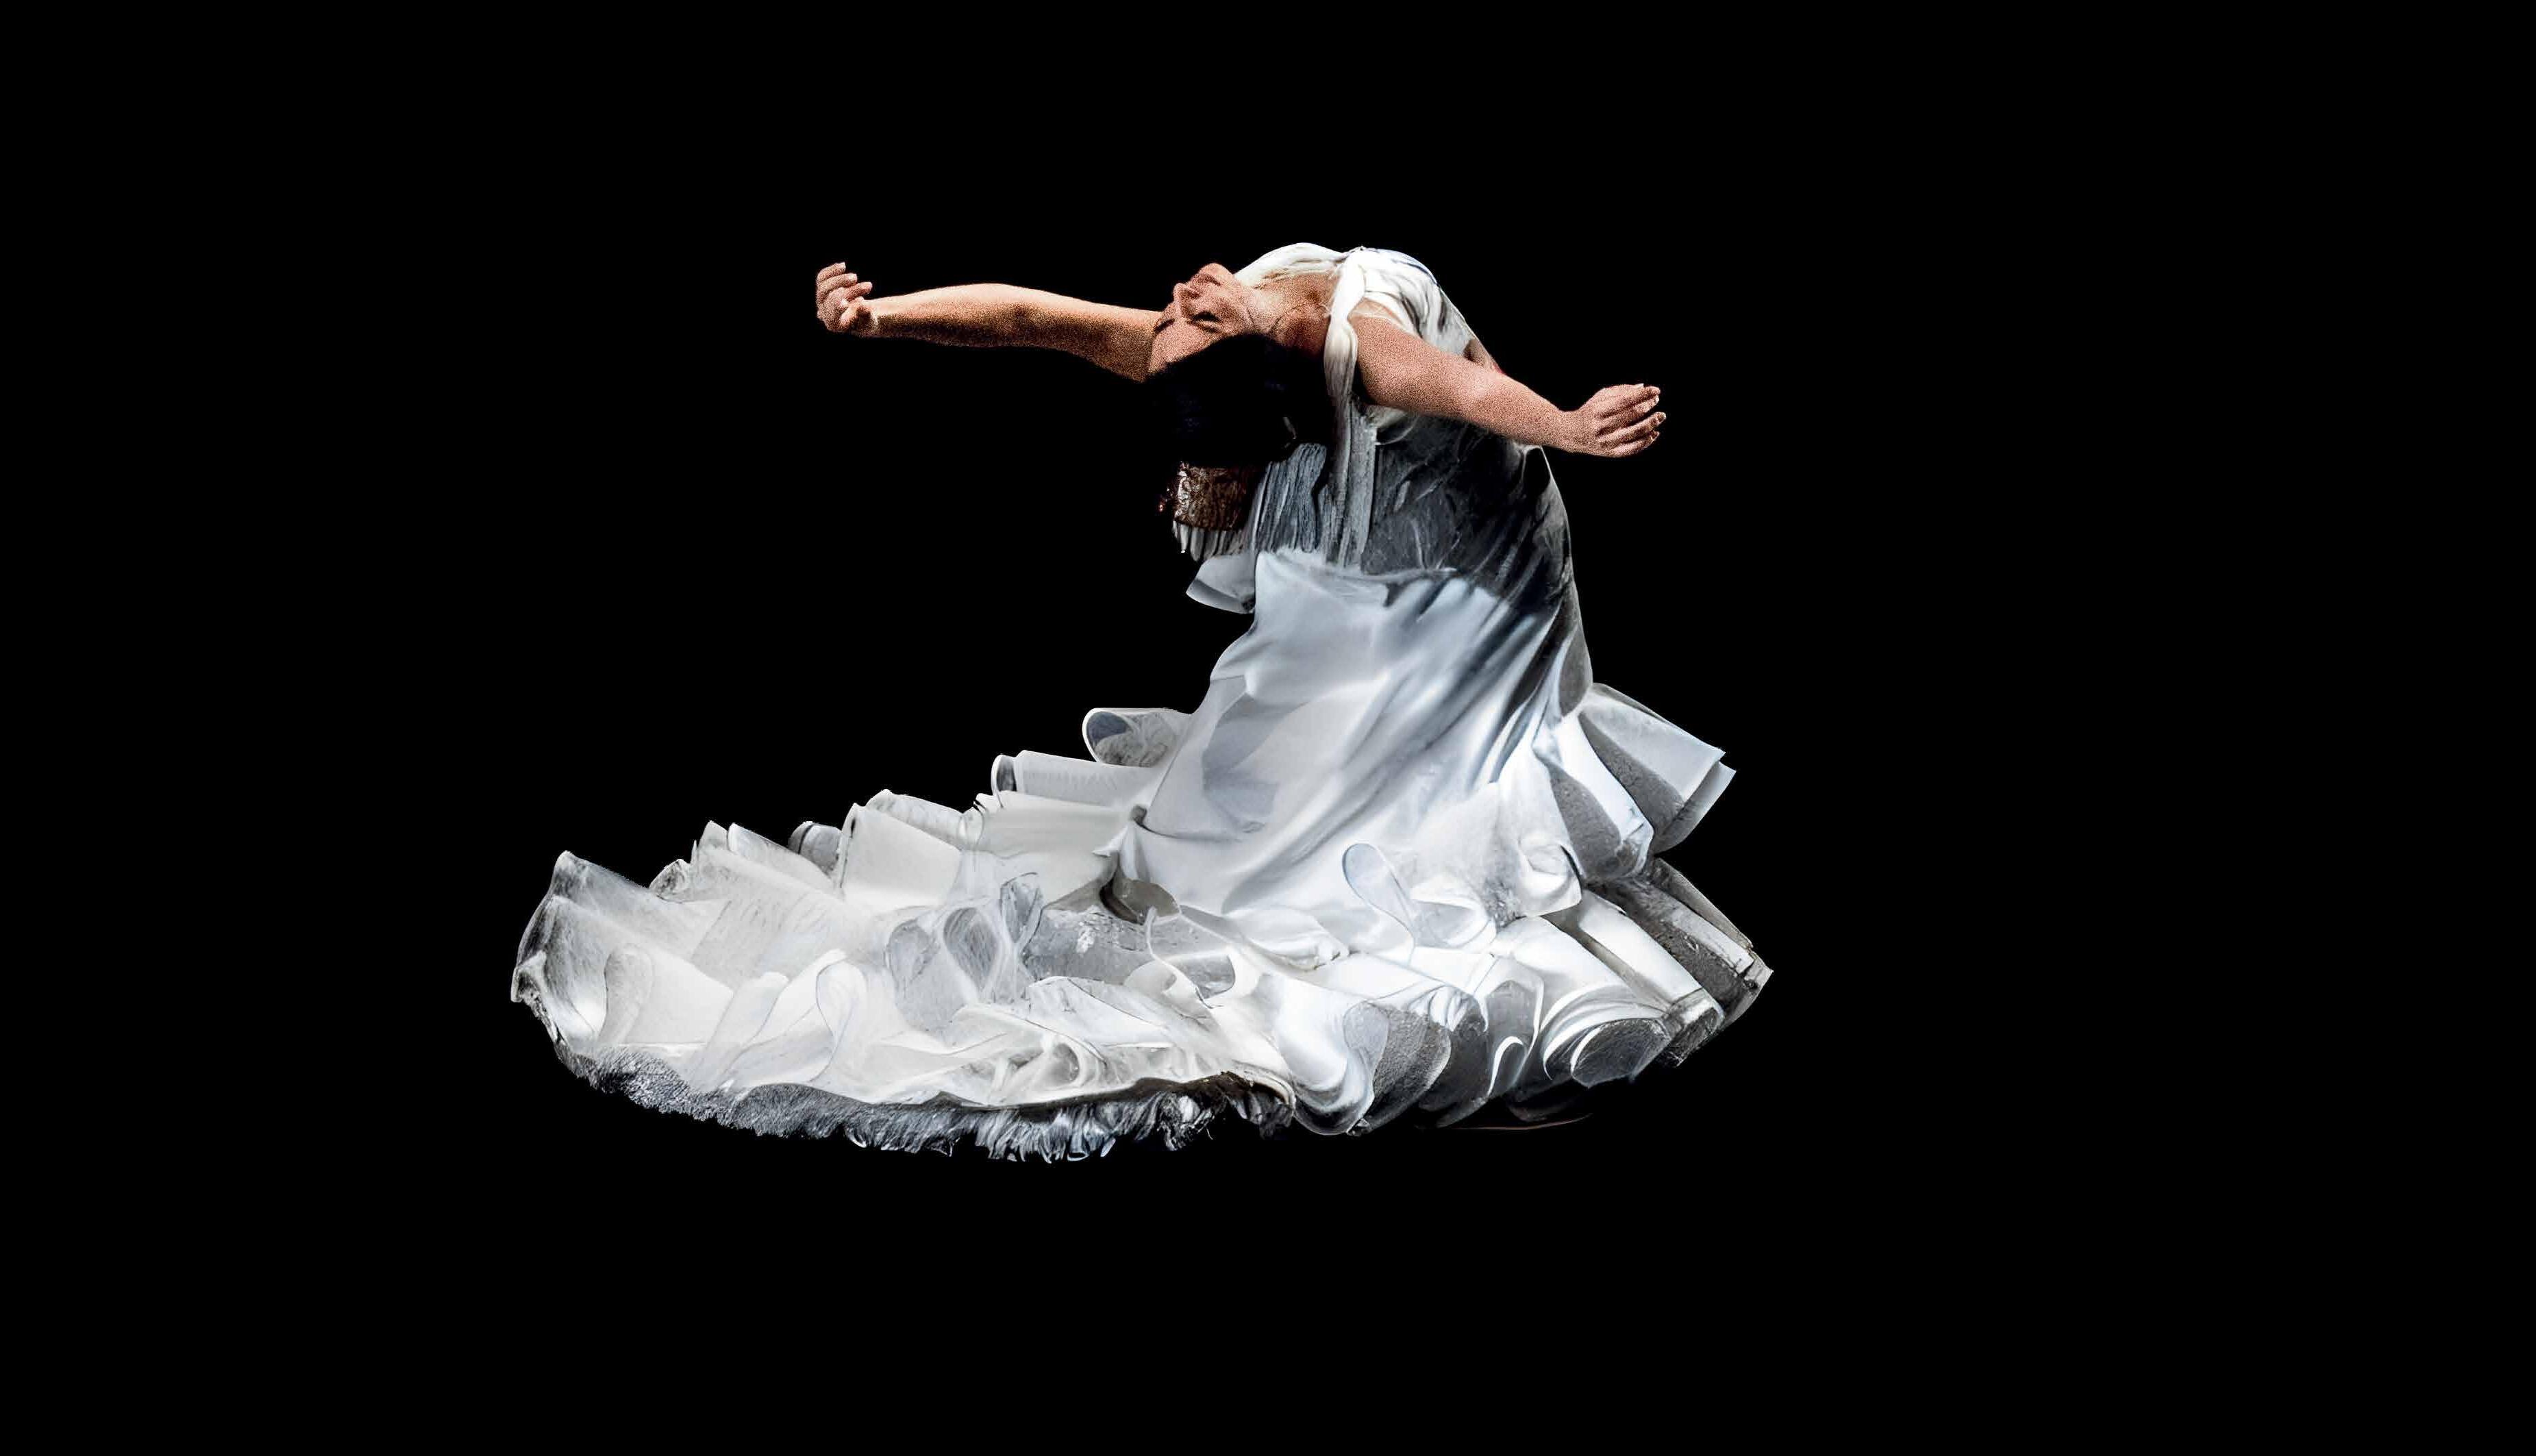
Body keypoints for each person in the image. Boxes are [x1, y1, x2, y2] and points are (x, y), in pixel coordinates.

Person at [510, 244, 1768, 1157]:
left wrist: (1571, 426)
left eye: (1182, 313)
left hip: (1471, 574)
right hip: (1352, 564)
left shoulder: (1359, 348)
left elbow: (1478, 397)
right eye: (1174, 317)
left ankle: (1458, 971)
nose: (1174, 295)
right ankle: (1262, 907)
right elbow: (1026, 316)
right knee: (1243, 790)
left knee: (1438, 799)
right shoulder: (1249, 345)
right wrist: (876, 319)